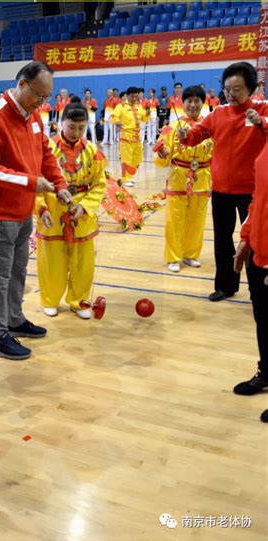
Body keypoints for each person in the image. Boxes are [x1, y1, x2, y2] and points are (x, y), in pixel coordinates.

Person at [0, 61, 72, 360]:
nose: (42, 103)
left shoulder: (35, 117)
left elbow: (45, 154)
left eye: (46, 98)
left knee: (18, 271)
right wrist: (32, 182)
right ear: (22, 84)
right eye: (38, 96)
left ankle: (14, 320)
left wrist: (58, 184)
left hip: (23, 210)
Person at [177, 62, 268, 301]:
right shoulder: (218, 113)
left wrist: (261, 122)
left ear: (251, 88)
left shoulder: (263, 109)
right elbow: (197, 134)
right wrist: (186, 135)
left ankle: (258, 289)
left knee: (254, 241)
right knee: (222, 240)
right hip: (220, 190)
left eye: (237, 88)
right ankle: (226, 286)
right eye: (227, 89)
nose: (231, 94)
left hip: (253, 192)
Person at [36, 96, 106, 318]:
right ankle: (50, 299)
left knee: (82, 262)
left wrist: (84, 207)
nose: (76, 132)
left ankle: (79, 301)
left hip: (81, 214)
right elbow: (34, 181)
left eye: (81, 128)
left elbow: (99, 185)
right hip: (53, 211)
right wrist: (41, 208)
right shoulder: (46, 148)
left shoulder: (93, 151)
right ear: (60, 123)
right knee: (51, 260)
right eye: (71, 127)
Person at [154, 86, 213, 273]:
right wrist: (163, 153)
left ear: (203, 103)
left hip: (202, 178)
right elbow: (161, 158)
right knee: (175, 219)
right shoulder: (171, 128)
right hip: (178, 176)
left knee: (197, 218)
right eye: (189, 101)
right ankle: (173, 256)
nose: (193, 105)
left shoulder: (210, 127)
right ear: (183, 103)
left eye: (197, 101)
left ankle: (190, 254)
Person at [233, 139, 268, 423]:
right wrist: (246, 240)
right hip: (259, 251)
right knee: (264, 318)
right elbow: (258, 196)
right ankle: (266, 372)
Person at [111, 86, 149, 188]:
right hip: (126, 137)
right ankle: (125, 178)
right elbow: (113, 117)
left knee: (137, 159)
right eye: (132, 96)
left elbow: (144, 119)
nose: (134, 99)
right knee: (126, 159)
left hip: (137, 137)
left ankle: (130, 175)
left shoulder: (139, 107)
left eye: (136, 97)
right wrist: (117, 122)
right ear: (127, 96)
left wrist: (147, 114)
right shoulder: (121, 106)